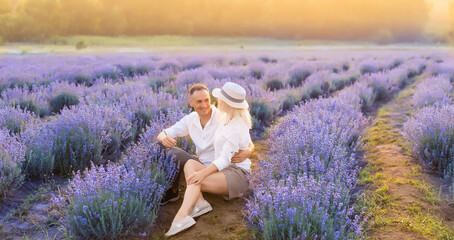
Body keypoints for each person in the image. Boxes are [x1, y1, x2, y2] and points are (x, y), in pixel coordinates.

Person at [165, 82, 253, 237]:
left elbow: (226, 158)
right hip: (223, 169)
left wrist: (203, 173)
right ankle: (199, 204)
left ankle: (181, 217)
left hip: (237, 174)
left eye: (215, 99)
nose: (213, 102)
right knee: (190, 165)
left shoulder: (233, 124)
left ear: (225, 102)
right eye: (199, 101)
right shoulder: (227, 118)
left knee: (195, 180)